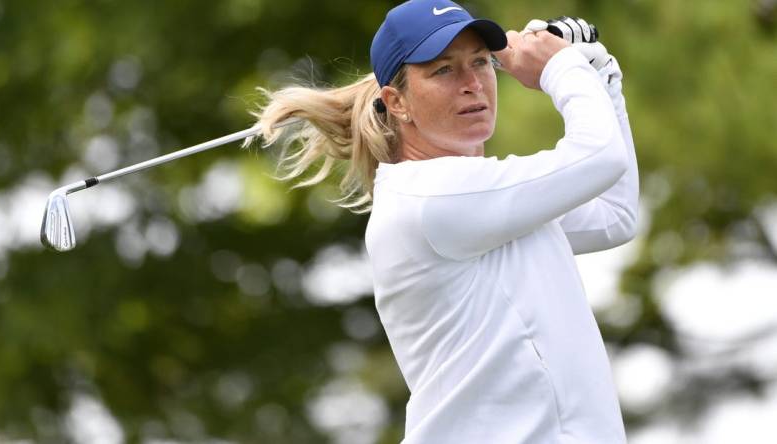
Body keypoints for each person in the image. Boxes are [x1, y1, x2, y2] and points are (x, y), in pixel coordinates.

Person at [250, 1, 638, 442]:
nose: (473, 84)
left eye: (480, 62)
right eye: (444, 71)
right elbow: (599, 157)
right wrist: (561, 66)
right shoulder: (432, 197)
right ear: (396, 103)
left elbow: (615, 215)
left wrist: (601, 77)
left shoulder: (481, 197)